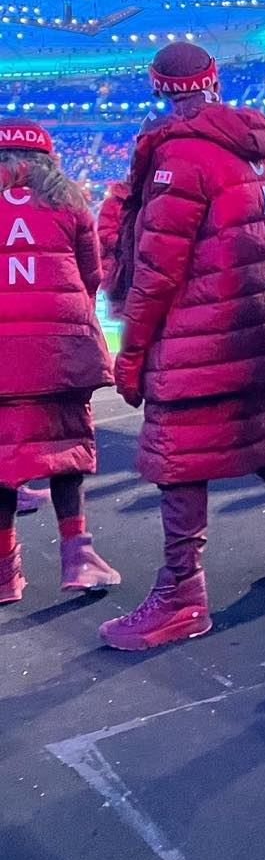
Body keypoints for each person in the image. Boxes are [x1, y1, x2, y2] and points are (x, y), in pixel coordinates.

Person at [98, 43, 265, 651]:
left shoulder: (179, 154)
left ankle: (181, 593)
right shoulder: (258, 142)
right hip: (256, 320)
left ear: (159, 90)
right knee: (256, 429)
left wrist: (133, 349)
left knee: (176, 450)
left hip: (199, 330)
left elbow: (156, 268)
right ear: (213, 83)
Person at [0, 122, 120, 604]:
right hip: (60, 344)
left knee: (4, 453)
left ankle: (5, 573)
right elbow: (91, 276)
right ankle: (77, 556)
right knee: (67, 445)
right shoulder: (70, 202)